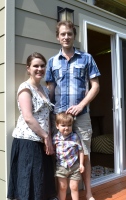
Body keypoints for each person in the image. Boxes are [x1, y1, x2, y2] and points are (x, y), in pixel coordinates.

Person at [45, 20, 101, 200]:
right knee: (59, 153)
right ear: (57, 37)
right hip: (59, 117)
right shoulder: (52, 62)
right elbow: (50, 91)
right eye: (63, 34)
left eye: (69, 33)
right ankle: (61, 193)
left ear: (74, 36)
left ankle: (88, 193)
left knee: (85, 153)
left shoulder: (87, 58)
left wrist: (81, 105)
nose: (66, 37)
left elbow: (95, 86)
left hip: (82, 116)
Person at [7, 52, 57, 200]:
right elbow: (28, 117)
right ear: (28, 68)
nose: (39, 69)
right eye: (36, 66)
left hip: (42, 141)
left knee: (40, 182)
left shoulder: (44, 90)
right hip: (28, 142)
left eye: (42, 66)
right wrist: (46, 136)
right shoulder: (25, 88)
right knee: (28, 183)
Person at [53, 112, 85, 200]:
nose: (66, 128)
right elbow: (52, 149)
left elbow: (81, 150)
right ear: (57, 126)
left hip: (74, 166)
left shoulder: (75, 137)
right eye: (63, 125)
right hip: (61, 166)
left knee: (74, 187)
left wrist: (81, 164)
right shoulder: (55, 138)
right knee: (62, 187)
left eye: (69, 125)